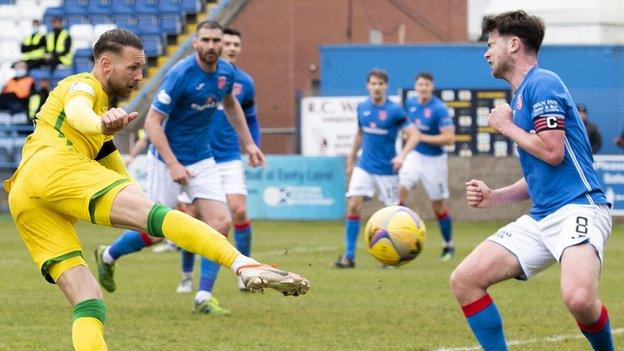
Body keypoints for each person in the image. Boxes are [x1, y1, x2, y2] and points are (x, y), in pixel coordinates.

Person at [4, 28, 309, 350]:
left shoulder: (100, 127)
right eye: (133, 68)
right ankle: (242, 263)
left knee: (88, 300)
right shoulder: (83, 85)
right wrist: (100, 124)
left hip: (25, 195)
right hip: (53, 167)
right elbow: (80, 112)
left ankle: (117, 262)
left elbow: (124, 180)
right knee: (160, 217)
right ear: (106, 65)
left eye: (142, 67)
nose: (139, 76)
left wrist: (105, 134)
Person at [451, 11, 613, 351]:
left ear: (513, 44)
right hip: (543, 215)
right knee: (465, 280)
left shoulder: (543, 83)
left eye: (491, 43)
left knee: (579, 299)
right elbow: (542, 173)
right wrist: (495, 196)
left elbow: (553, 152)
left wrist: (507, 127)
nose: (486, 52)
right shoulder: (522, 95)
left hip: (578, 207)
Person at [95, 21, 265, 315]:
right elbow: (152, 122)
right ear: (195, 42)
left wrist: (248, 143)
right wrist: (173, 163)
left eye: (217, 41)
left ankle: (203, 296)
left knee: (220, 222)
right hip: (166, 159)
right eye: (206, 40)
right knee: (157, 231)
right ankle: (109, 255)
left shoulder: (225, 72)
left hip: (202, 158)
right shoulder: (180, 74)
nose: (212, 46)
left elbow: (231, 104)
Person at [177, 27, 261, 294]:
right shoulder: (196, 74)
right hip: (197, 156)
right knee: (191, 218)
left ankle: (243, 272)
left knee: (238, 211)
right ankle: (187, 276)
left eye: (237, 44)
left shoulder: (243, 82)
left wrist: (252, 145)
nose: (232, 47)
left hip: (227, 155)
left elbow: (250, 117)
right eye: (228, 43)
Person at [333, 69, 419, 268]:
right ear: (367, 85)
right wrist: (351, 159)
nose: (377, 87)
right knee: (353, 205)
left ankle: (393, 256)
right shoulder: (362, 107)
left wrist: (402, 155)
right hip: (364, 166)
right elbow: (359, 134)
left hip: (388, 170)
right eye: (373, 83)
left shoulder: (395, 110)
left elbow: (414, 135)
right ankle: (349, 257)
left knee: (393, 215)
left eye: (380, 84)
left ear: (386, 86)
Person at [399, 72, 456, 261]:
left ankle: (449, 245)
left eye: (426, 85)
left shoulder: (439, 109)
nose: (423, 88)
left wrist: (420, 137)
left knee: (437, 204)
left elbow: (449, 138)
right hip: (415, 156)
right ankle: (396, 239)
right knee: (400, 190)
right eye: (420, 84)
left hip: (435, 160)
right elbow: (405, 129)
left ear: (432, 87)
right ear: (415, 87)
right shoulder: (410, 104)